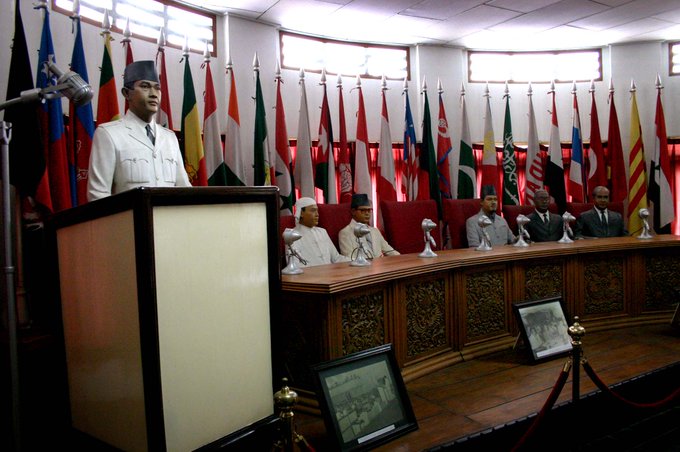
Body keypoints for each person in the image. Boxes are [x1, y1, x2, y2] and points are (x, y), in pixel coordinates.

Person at [87, 60, 191, 201]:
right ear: (127, 93)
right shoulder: (109, 134)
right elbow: (98, 195)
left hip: (167, 216)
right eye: (145, 86)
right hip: (130, 216)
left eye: (157, 88)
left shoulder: (169, 137)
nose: (154, 94)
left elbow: (184, 189)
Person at [292, 197, 350, 267]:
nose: (317, 214)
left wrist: (355, 261)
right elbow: (296, 266)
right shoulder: (292, 236)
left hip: (330, 273)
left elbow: (336, 258)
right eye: (313, 210)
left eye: (317, 211)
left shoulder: (322, 232)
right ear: (301, 213)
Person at [338, 194, 399, 259]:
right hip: (361, 265)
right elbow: (349, 259)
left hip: (380, 264)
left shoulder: (375, 231)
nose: (367, 213)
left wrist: (402, 258)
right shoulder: (345, 233)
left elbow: (389, 251)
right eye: (363, 210)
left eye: (369, 210)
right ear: (353, 211)